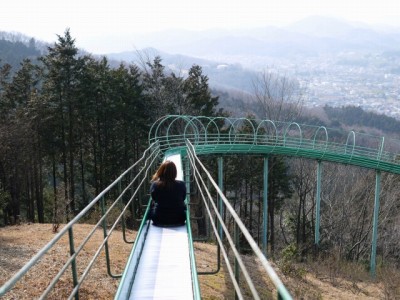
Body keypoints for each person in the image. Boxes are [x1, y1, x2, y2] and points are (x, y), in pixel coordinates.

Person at [149, 160, 187, 226]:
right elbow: (183, 198)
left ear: (161, 171)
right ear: (175, 172)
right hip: (179, 219)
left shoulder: (155, 185)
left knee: (152, 204)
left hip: (158, 219)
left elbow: (154, 198)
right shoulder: (181, 184)